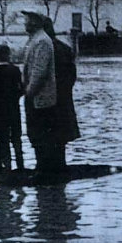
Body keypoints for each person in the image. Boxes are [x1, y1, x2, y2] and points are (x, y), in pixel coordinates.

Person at [21, 10, 60, 175]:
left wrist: (29, 93)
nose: (25, 23)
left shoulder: (42, 41)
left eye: (27, 20)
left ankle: (45, 169)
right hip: (36, 96)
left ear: (35, 22)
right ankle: (42, 167)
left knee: (41, 133)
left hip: (41, 98)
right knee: (36, 134)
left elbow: (39, 71)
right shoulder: (35, 40)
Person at [44, 17, 81, 170]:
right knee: (60, 136)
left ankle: (51, 170)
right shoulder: (65, 48)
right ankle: (59, 166)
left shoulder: (45, 48)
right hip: (64, 98)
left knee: (48, 135)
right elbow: (72, 75)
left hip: (49, 100)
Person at [0, 44, 24, 173]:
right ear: (7, 54)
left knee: (1, 139)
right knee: (16, 138)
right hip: (13, 109)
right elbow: (21, 89)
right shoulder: (14, 70)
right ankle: (20, 166)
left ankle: (3, 168)